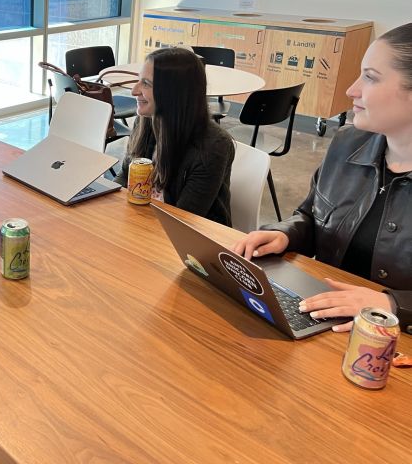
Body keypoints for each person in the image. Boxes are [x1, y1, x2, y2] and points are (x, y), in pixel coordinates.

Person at [234, 23, 412, 334]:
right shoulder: (347, 143)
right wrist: (285, 233)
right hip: (325, 322)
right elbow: (311, 216)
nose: (351, 90)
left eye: (370, 77)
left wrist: (394, 304)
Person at [116, 46, 235, 225]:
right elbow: (125, 177)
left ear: (173, 93)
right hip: (144, 223)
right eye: (138, 80)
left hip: (189, 239)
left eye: (146, 84)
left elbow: (182, 221)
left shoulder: (214, 146)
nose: (134, 91)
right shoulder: (146, 121)